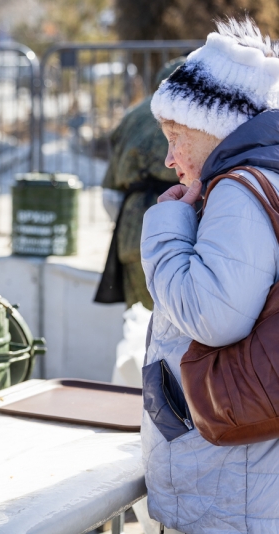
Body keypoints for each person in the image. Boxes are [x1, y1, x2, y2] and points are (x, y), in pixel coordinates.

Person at [142, 18, 279, 533]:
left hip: (234, 485)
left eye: (177, 136)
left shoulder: (238, 191)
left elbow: (213, 316)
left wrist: (164, 227)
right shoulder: (266, 174)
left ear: (218, 130)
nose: (169, 156)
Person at [95, 58, 183, 311]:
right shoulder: (191, 116)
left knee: (138, 324)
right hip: (173, 222)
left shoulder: (133, 114)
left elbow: (110, 189)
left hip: (130, 229)